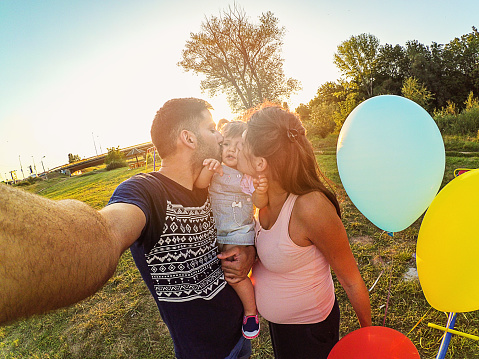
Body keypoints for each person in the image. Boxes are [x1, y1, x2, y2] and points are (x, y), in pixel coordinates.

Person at [0, 98, 256, 359]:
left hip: (240, 333)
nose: (219, 136)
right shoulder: (145, 191)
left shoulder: (212, 183)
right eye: (212, 129)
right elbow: (105, 233)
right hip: (205, 353)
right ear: (188, 138)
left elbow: (241, 219)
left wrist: (248, 251)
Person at [235, 103, 372, 359]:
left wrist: (370, 336)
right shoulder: (260, 197)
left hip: (310, 333)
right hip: (281, 328)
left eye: (241, 146)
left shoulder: (310, 208)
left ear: (261, 163)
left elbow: (350, 278)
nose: (234, 151)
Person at [195, 121, 268, 339]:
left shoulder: (247, 175)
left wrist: (261, 189)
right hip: (218, 232)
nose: (231, 150)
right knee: (224, 271)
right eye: (226, 144)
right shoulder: (216, 168)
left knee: (233, 273)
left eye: (238, 146)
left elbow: (259, 202)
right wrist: (208, 170)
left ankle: (250, 313)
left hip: (239, 231)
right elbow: (200, 185)